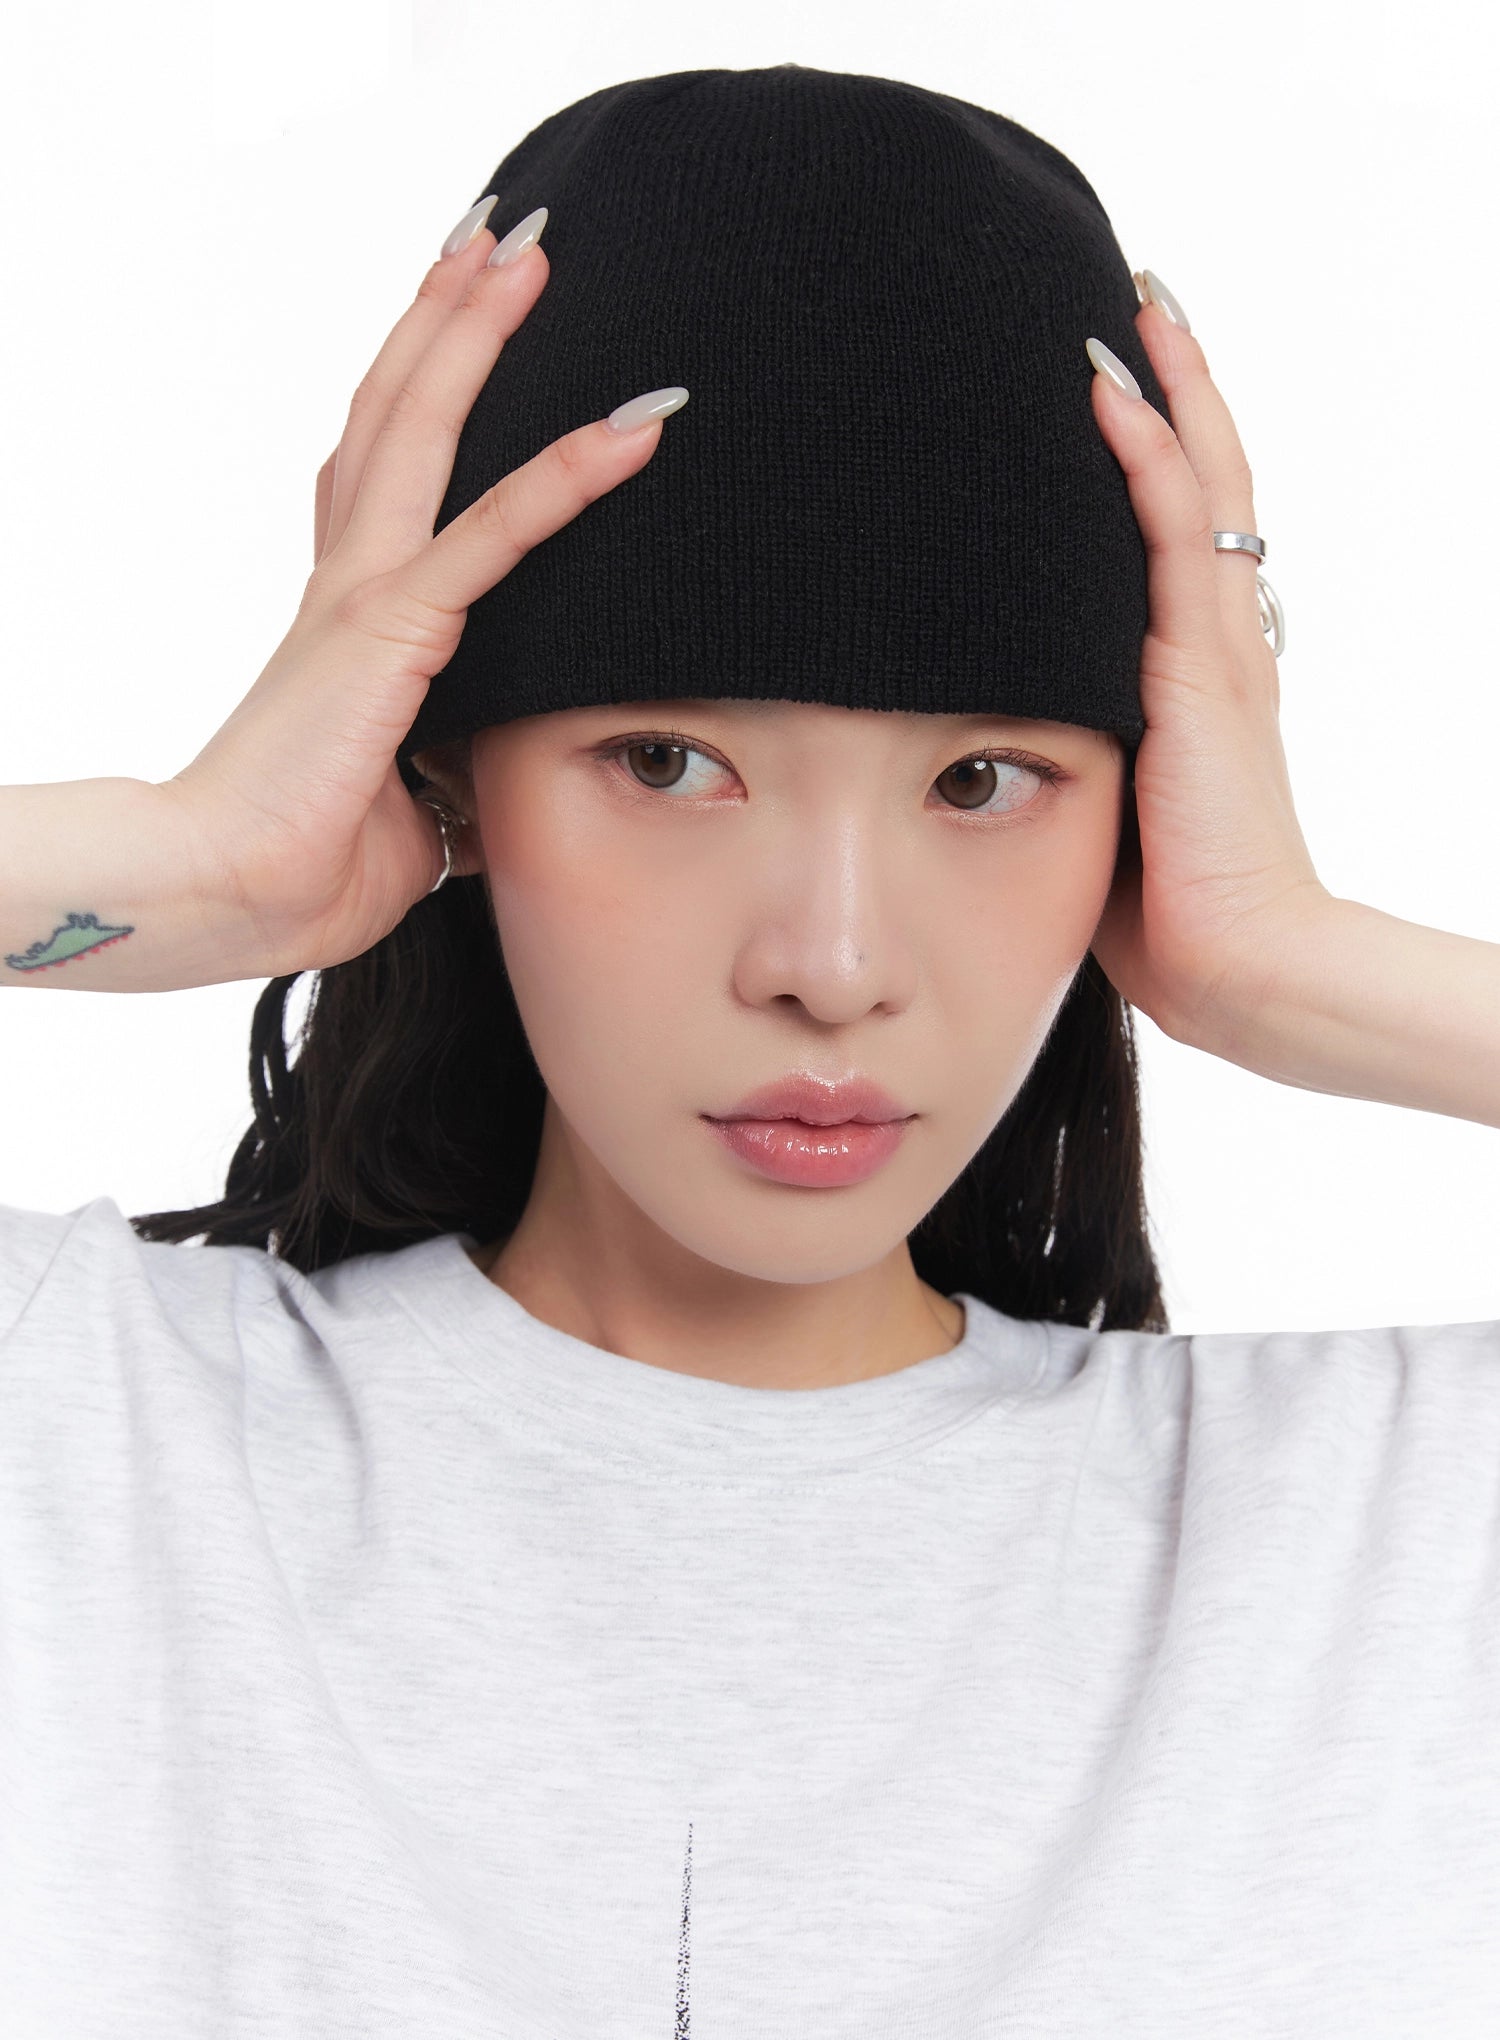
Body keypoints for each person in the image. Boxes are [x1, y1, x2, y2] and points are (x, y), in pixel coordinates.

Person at [2, 63, 1498, 2040]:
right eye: (667, 760)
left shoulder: (1384, 1534)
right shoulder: (81, 1428)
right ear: (453, 772)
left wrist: (1297, 964)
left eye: (985, 778)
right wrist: (194, 861)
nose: (833, 964)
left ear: (1137, 815)